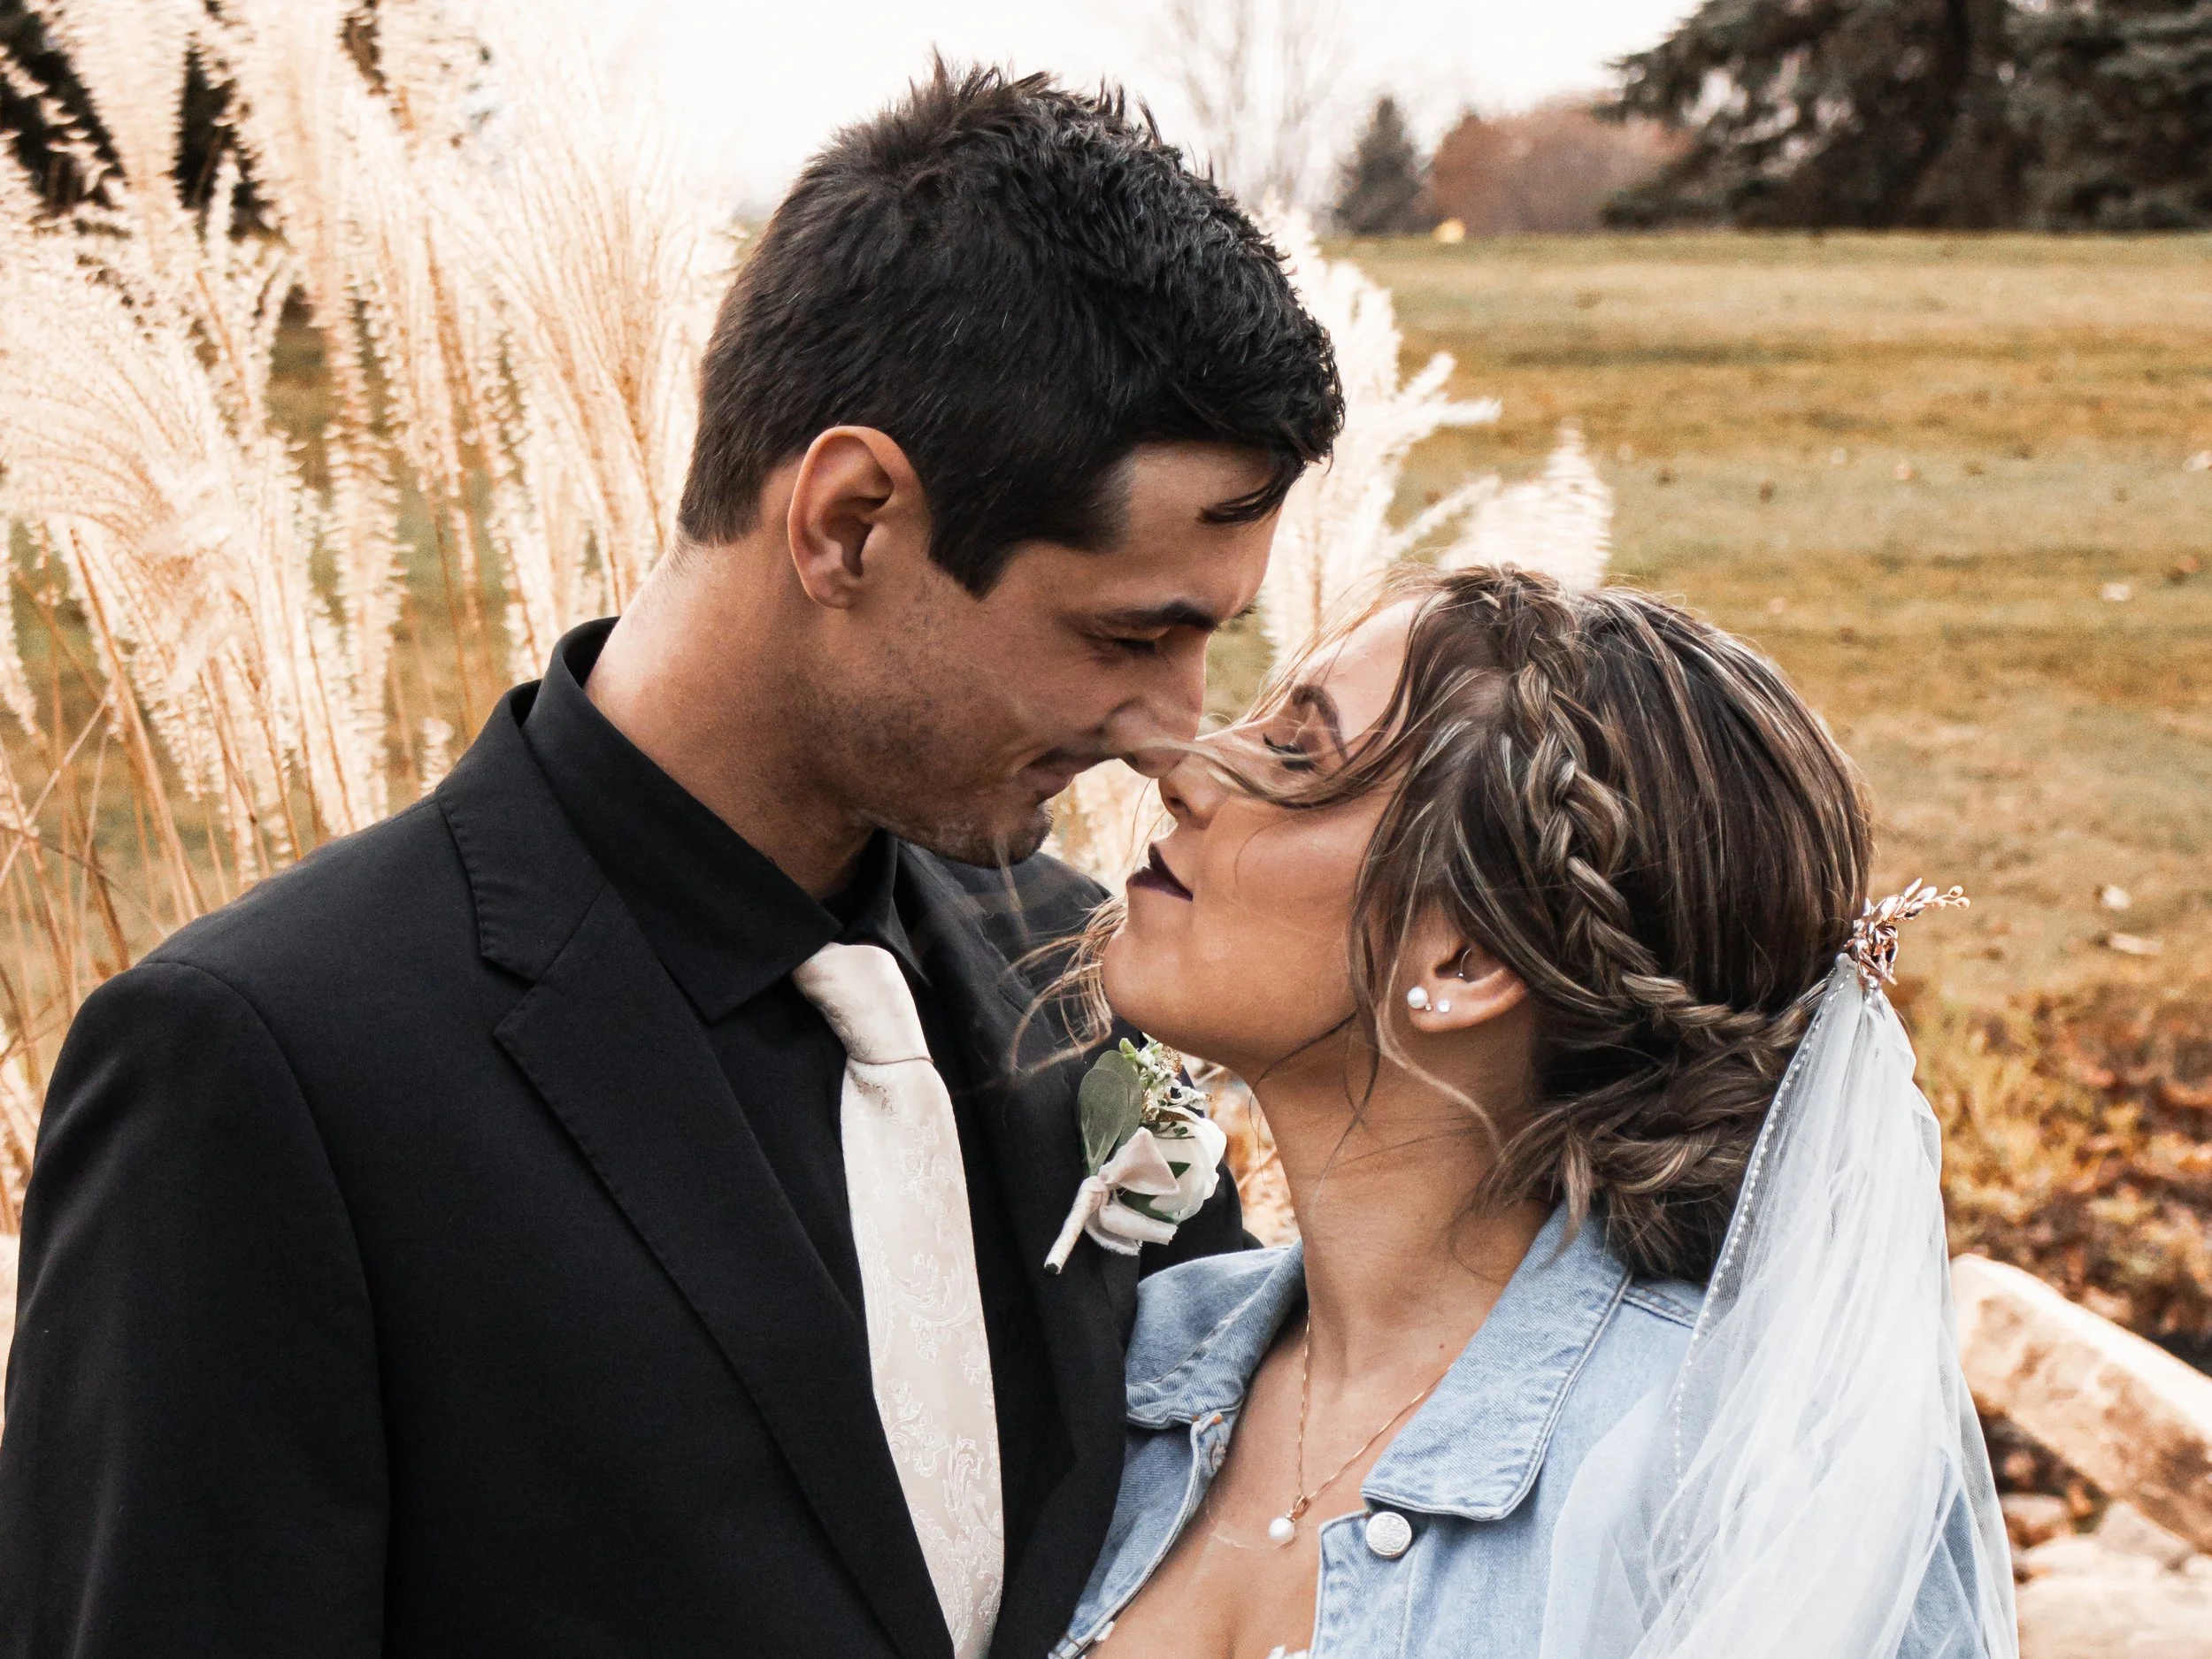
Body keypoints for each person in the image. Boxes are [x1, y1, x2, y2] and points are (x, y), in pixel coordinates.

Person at [0, 66, 1343, 1659]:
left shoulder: (1084, 973)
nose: (1172, 734)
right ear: (848, 521)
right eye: (1129, 634)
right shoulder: (266, 1067)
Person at [1054, 568, 2015, 1659]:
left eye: (1295, 757)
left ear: (1464, 959)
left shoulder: (1730, 1479)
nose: (1181, 769)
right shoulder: (1129, 1365)